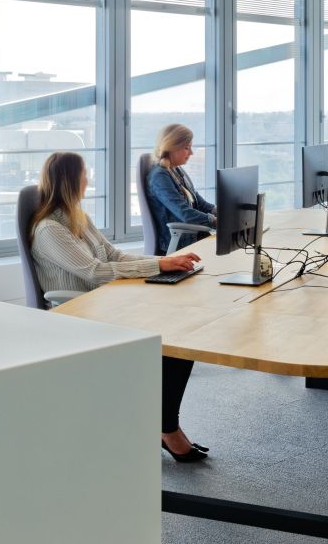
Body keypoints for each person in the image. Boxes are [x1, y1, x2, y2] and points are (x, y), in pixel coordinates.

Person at [28, 151, 207, 462]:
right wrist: (159, 267)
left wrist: (165, 261)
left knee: (180, 336)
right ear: (71, 180)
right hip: (79, 313)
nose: (88, 180)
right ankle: (167, 429)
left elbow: (115, 256)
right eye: (84, 174)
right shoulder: (49, 230)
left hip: (106, 302)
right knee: (173, 343)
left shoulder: (78, 218)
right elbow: (95, 271)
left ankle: (165, 426)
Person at [146, 123, 215, 252]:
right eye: (187, 148)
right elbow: (185, 213)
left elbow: (199, 203)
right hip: (181, 243)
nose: (191, 153)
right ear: (172, 147)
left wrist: (221, 212)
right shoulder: (159, 177)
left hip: (195, 236)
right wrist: (215, 221)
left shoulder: (176, 170)